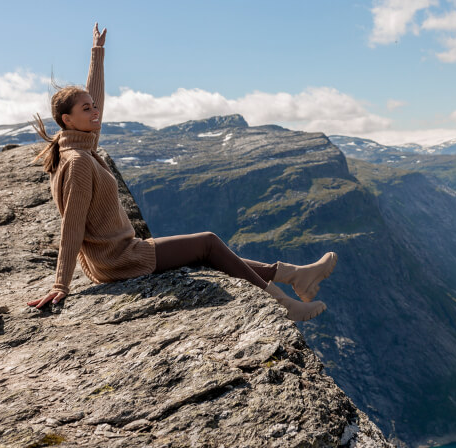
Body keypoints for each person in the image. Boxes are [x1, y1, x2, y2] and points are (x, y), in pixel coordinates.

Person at [27, 24, 336, 322]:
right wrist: (61, 285)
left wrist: (97, 53)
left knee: (209, 253)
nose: (95, 112)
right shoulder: (78, 161)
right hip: (117, 259)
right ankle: (284, 305)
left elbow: (95, 97)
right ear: (67, 120)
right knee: (208, 243)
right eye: (86, 109)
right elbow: (72, 226)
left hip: (120, 253)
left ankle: (297, 276)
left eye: (94, 106)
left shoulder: (83, 146)